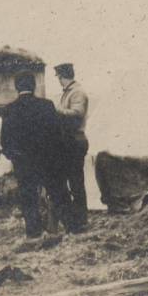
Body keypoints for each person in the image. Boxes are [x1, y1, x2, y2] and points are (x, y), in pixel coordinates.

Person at [0, 72, 78, 237]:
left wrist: (15, 157)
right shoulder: (46, 105)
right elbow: (57, 136)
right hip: (47, 160)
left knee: (28, 198)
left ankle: (34, 233)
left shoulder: (9, 109)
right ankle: (73, 228)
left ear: (16, 87)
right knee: (58, 193)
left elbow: (5, 142)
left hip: (23, 163)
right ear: (33, 86)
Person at [53, 63, 91, 229]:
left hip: (74, 140)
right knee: (73, 180)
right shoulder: (70, 92)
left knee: (76, 182)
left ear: (62, 77)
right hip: (70, 141)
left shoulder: (77, 93)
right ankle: (77, 218)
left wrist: (57, 110)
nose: (59, 81)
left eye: (59, 78)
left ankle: (81, 218)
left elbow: (76, 114)